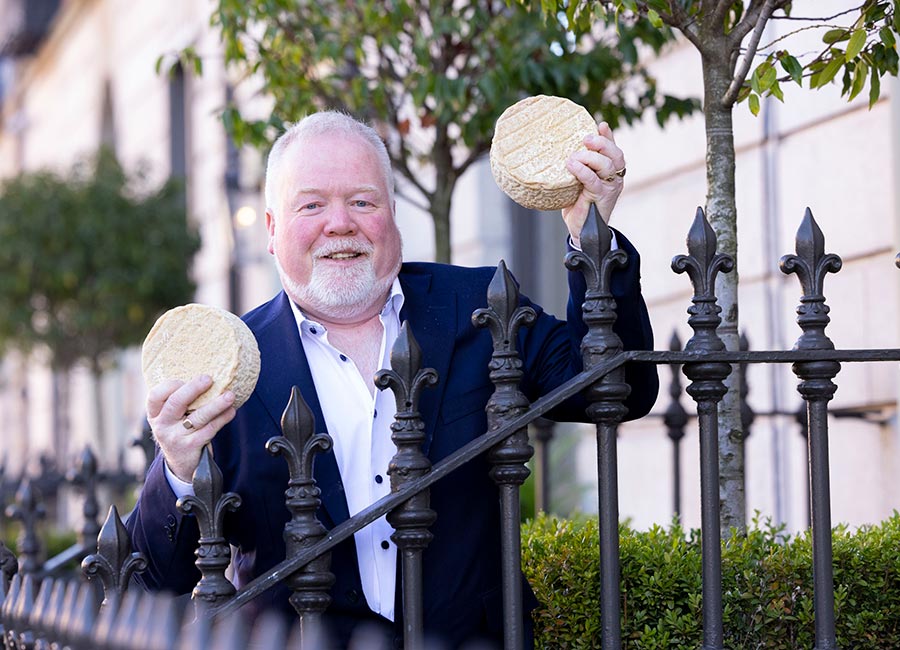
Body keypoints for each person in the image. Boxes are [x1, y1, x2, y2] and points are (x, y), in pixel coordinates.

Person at [126, 110, 658, 648]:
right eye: (311, 205)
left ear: (392, 214)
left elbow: (618, 389)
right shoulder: (230, 369)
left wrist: (592, 237)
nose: (340, 223)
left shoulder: (481, 307)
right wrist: (177, 469)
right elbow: (144, 585)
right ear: (271, 229)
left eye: (362, 201)